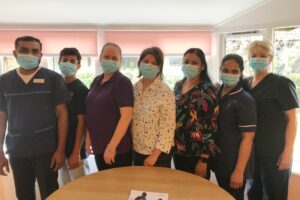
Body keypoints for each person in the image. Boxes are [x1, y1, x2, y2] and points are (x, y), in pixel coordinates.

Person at [0, 36, 70, 200]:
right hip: (17, 150)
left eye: (34, 51)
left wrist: (60, 150)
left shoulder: (53, 79)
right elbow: (2, 117)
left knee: (50, 193)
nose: (29, 54)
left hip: (46, 149)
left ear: (40, 55)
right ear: (15, 53)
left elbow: (63, 114)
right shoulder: (4, 81)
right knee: (23, 194)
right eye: (24, 50)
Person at [243, 40, 298, 200]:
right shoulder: (246, 83)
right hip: (252, 152)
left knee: (274, 196)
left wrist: (288, 152)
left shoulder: (281, 84)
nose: (258, 59)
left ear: (271, 59)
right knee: (253, 194)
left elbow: (292, 120)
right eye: (254, 55)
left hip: (274, 152)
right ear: (248, 58)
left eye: (263, 55)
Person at [213, 54, 256, 200]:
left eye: (234, 71)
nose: (229, 74)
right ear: (220, 70)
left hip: (235, 164)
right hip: (220, 160)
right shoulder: (217, 92)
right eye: (225, 70)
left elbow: (248, 138)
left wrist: (239, 171)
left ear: (241, 72)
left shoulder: (244, 100)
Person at [85, 42, 134, 171]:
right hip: (99, 146)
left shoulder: (122, 82)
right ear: (100, 58)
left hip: (117, 150)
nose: (109, 60)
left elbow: (127, 116)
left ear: (120, 61)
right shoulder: (96, 81)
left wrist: (111, 147)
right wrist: (88, 138)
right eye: (106, 57)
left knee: (118, 189)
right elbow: (91, 112)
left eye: (114, 58)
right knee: (104, 187)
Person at [174, 48, 219, 179]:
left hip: (197, 153)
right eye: (186, 61)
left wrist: (204, 160)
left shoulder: (208, 90)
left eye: (194, 62)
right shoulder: (178, 85)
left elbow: (211, 125)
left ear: (202, 66)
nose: (189, 65)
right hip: (178, 150)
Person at [132, 47, 175, 168]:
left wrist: (154, 156)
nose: (149, 65)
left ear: (159, 68)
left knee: (156, 187)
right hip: (137, 150)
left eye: (154, 63)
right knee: (137, 186)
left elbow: (168, 127)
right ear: (139, 63)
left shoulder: (165, 92)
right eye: (146, 61)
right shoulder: (134, 88)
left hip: (157, 155)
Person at [58, 48, 90, 185]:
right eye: (64, 60)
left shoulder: (81, 89)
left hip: (75, 151)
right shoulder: (57, 86)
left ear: (78, 66)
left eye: (72, 61)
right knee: (65, 190)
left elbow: (82, 122)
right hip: (60, 151)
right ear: (59, 62)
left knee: (80, 190)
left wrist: (76, 152)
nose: (68, 63)